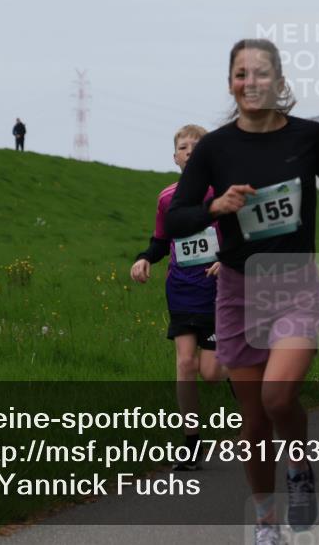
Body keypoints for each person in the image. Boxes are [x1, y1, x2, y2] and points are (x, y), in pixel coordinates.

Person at [166, 39, 319, 544]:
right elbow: (178, 217)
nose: (250, 82)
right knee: (253, 419)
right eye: (240, 74)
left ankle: (299, 470)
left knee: (279, 396)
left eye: (261, 74)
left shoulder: (308, 137)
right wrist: (217, 208)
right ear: (230, 83)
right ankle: (264, 524)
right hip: (236, 291)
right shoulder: (214, 148)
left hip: (295, 282)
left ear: (279, 83)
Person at [130, 124, 227, 471]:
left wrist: (225, 259)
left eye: (195, 146)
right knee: (185, 363)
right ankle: (191, 444)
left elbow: (242, 237)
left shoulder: (223, 194)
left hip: (220, 290)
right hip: (182, 288)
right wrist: (144, 258)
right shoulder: (167, 198)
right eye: (182, 147)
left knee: (211, 373)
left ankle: (241, 367)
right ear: (175, 157)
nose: (189, 151)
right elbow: (161, 240)